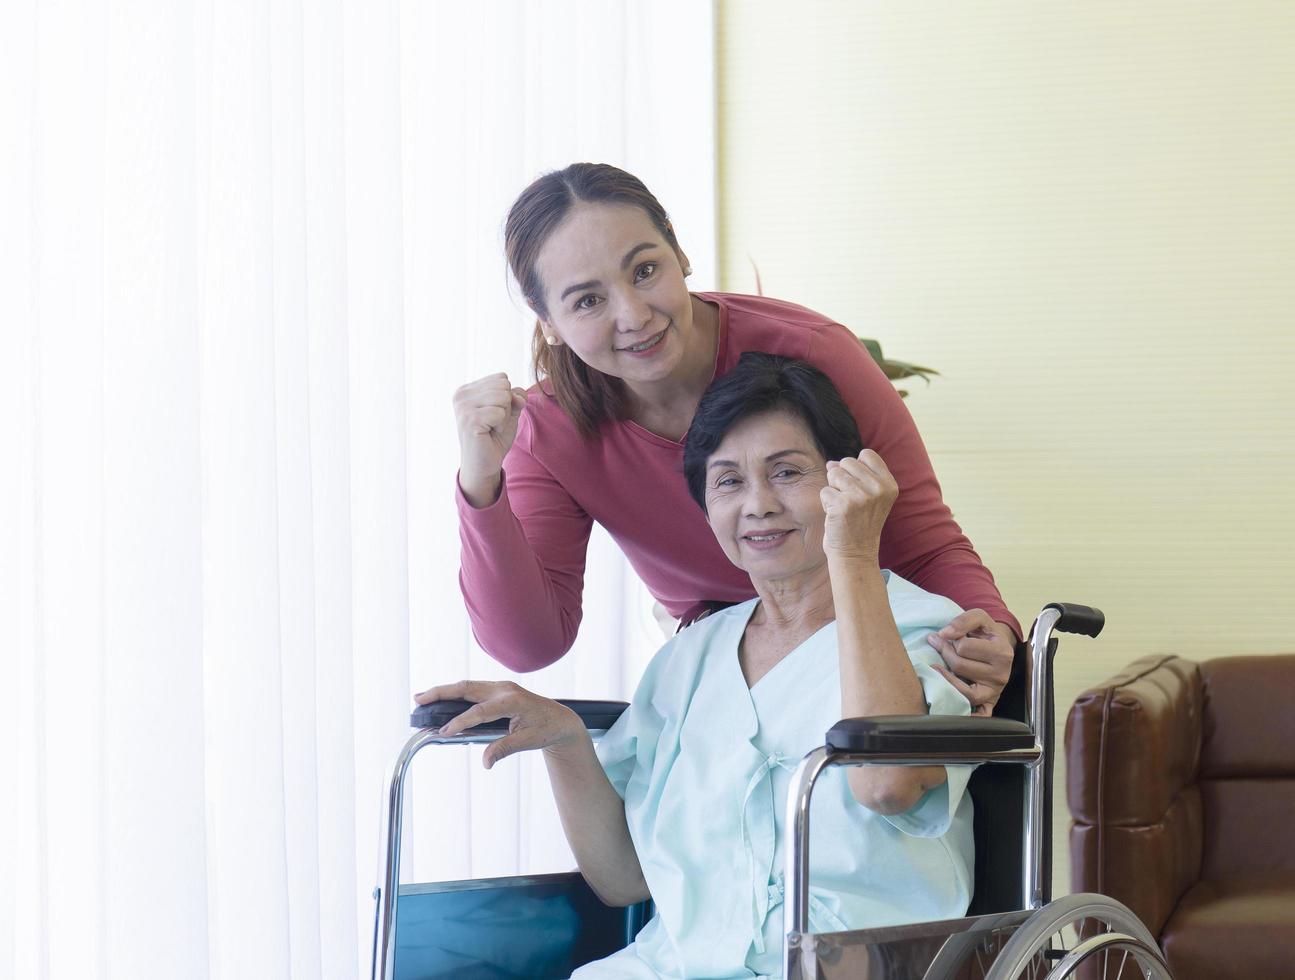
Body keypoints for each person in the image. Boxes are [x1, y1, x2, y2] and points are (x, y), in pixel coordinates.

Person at [420, 354, 977, 979]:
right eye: (728, 482)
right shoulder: (690, 659)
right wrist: (564, 738)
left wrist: (850, 547)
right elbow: (622, 880)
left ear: (845, 483)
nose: (759, 505)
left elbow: (888, 786)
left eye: (787, 472)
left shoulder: (925, 627)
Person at [456, 162, 1020, 713]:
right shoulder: (548, 429)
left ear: (679, 252)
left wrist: (989, 630)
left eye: (646, 270)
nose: (633, 315)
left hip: (870, 643)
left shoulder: (812, 353)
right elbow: (530, 645)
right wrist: (481, 485)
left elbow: (924, 542)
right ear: (547, 320)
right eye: (587, 300)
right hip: (726, 672)